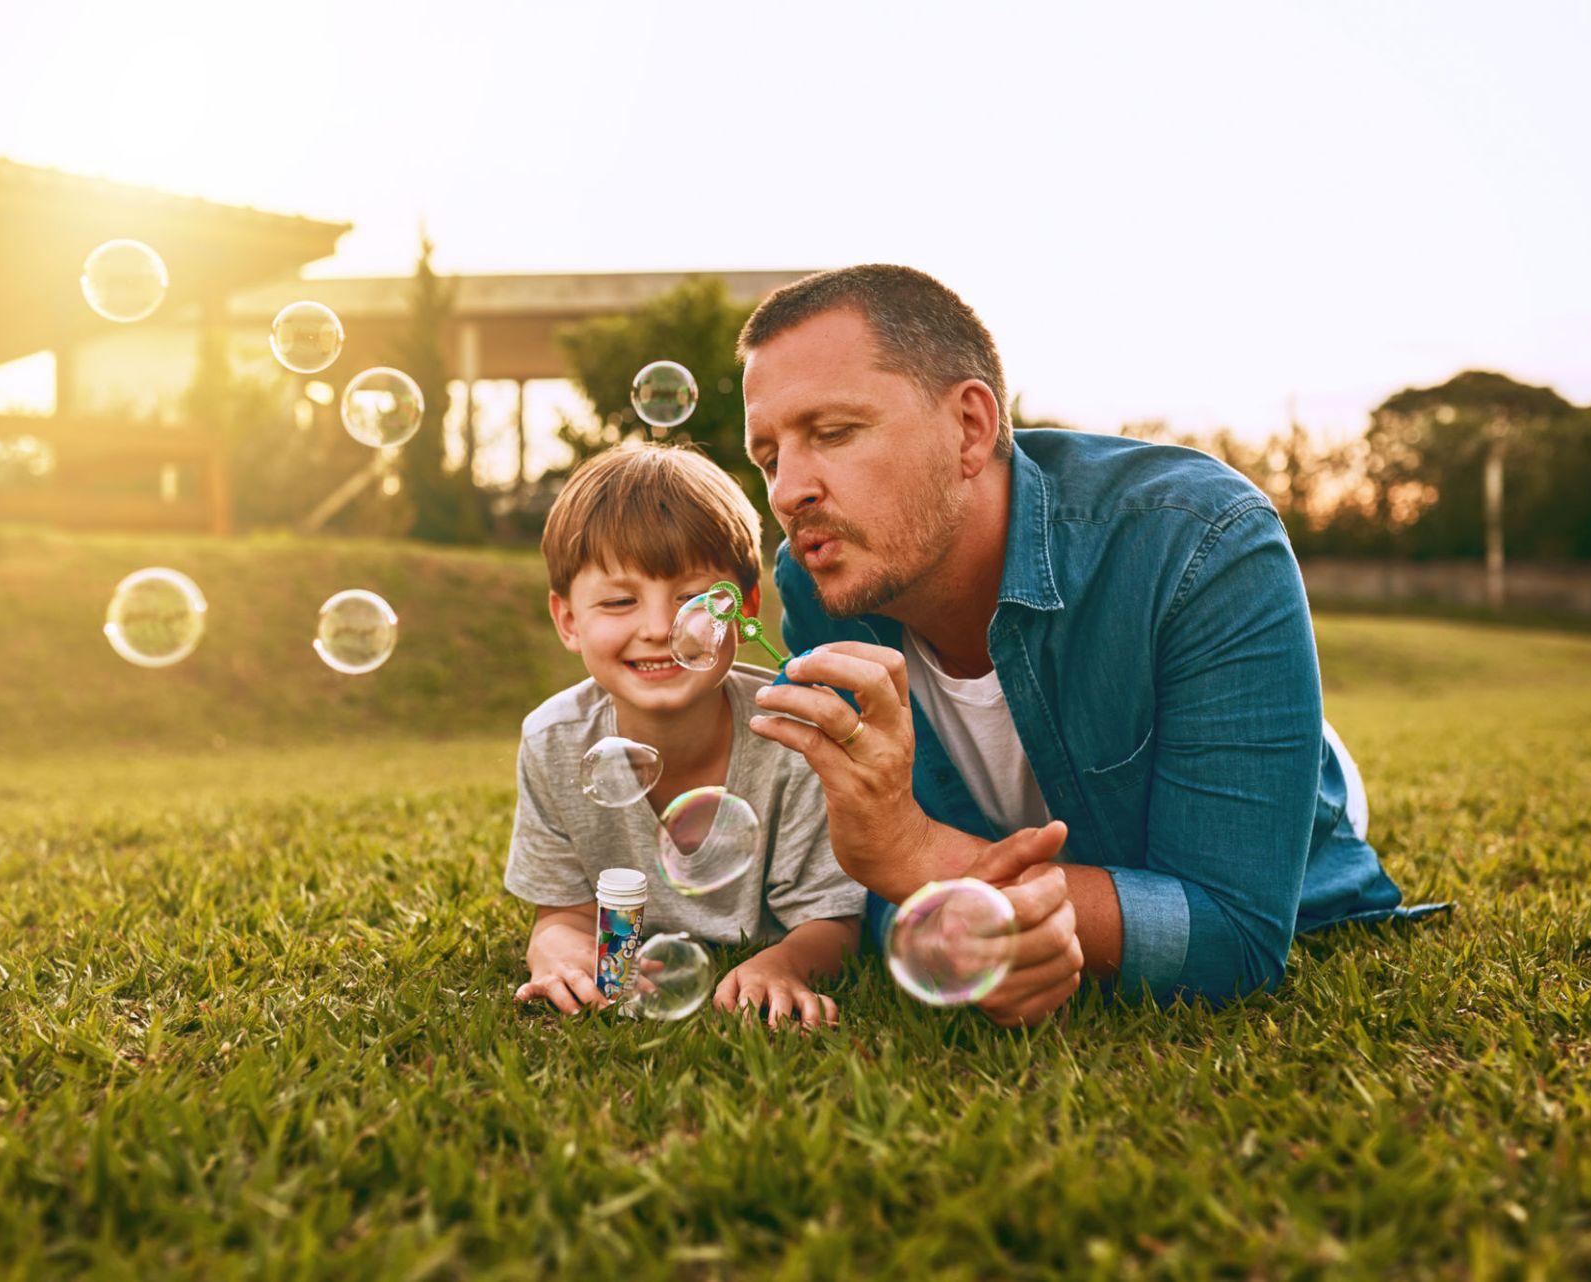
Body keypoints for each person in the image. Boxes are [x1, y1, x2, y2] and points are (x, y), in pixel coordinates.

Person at [739, 265, 1443, 1027]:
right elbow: (876, 877)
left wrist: (921, 860)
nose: (786, 492)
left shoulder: (1198, 539)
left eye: (833, 433)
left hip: (1264, 767)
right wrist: (962, 928)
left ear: (970, 428)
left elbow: (1237, 934)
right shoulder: (816, 591)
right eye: (769, 457)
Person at [506, 443, 865, 1028]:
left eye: (694, 599)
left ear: (745, 606)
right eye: (620, 600)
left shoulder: (795, 736)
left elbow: (832, 922)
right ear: (568, 620)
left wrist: (786, 963)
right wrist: (558, 950)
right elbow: (563, 914)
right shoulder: (553, 740)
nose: (656, 628)